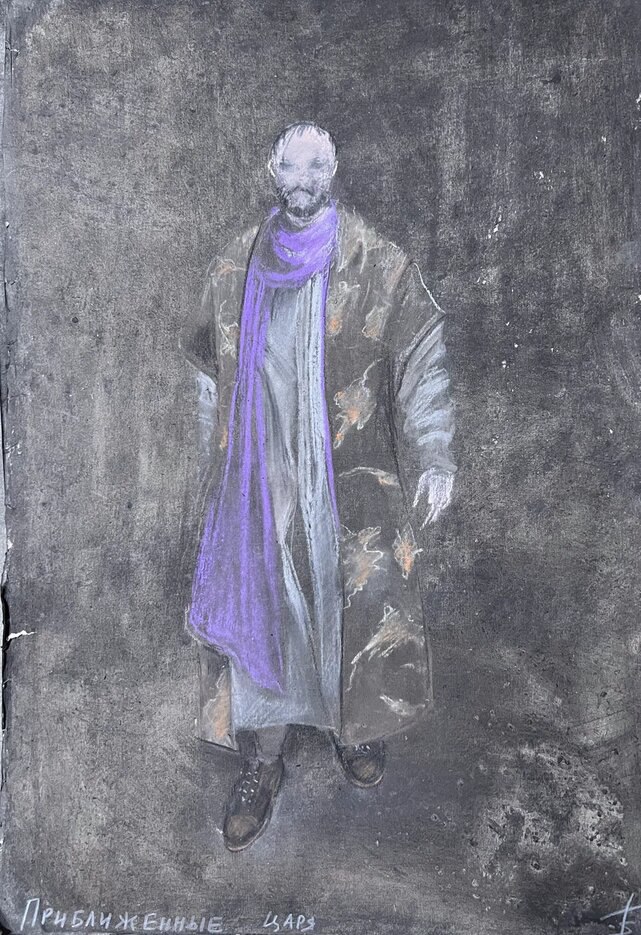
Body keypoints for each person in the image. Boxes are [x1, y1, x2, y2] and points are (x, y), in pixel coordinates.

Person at [180, 121, 456, 852]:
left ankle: (353, 726)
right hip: (260, 472)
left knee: (345, 593)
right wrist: (215, 454)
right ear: (272, 172)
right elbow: (206, 367)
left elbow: (422, 357)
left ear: (331, 173)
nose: (301, 182)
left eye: (315, 169)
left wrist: (434, 454)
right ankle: (263, 759)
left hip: (344, 470)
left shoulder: (376, 261)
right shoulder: (236, 262)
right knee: (268, 596)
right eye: (290, 169)